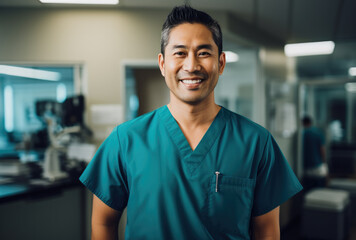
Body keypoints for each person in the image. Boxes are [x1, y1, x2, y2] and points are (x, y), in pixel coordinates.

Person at [80, 5, 302, 240]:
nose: (192, 65)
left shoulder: (256, 142)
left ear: (221, 62)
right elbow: (103, 223)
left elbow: (267, 230)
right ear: (163, 64)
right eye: (180, 53)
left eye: (204, 53)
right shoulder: (125, 140)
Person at [302, 115, 327, 190]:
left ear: (303, 123)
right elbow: (322, 150)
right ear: (310, 122)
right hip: (317, 167)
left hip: (306, 168)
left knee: (308, 192)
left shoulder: (302, 134)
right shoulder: (318, 133)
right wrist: (324, 163)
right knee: (319, 190)